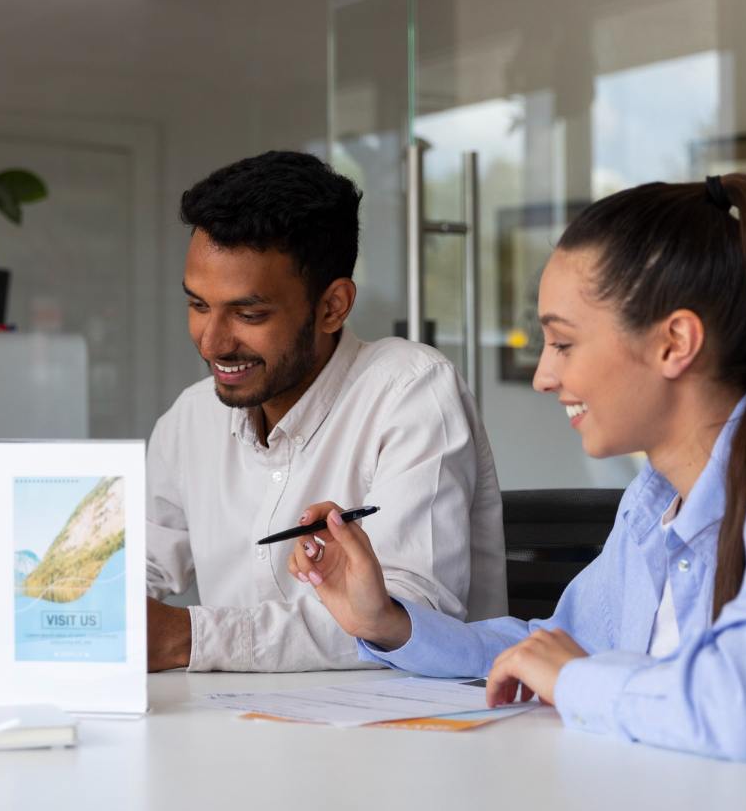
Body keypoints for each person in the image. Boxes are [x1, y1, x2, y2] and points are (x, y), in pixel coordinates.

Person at [289, 173, 746, 761]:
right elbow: (554, 647)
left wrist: (580, 680)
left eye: (562, 342)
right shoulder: (654, 500)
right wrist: (389, 623)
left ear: (674, 343)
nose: (543, 376)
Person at [145, 150, 506, 673]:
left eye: (248, 314)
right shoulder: (191, 418)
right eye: (199, 305)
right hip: (234, 726)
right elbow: (135, 568)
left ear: (333, 306)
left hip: (407, 736)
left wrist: (190, 638)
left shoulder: (411, 391)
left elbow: (409, 613)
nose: (212, 343)